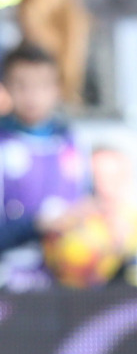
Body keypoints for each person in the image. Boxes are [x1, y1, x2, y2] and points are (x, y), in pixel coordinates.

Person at [0, 42, 85, 289]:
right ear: (6, 86)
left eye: (41, 85)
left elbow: (85, 202)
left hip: (68, 283)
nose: (32, 95)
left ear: (57, 89)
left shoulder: (72, 141)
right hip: (12, 285)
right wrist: (36, 225)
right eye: (21, 85)